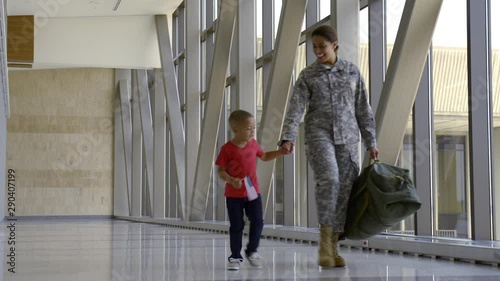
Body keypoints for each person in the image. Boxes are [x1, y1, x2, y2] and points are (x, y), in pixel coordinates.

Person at [279, 25, 379, 268]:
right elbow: (295, 108)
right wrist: (287, 136)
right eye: (314, 47)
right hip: (318, 136)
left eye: (321, 46)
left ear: (334, 45)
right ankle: (324, 244)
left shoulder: (353, 72)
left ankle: (334, 246)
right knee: (330, 181)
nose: (317, 51)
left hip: (348, 140)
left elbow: (362, 110)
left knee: (344, 192)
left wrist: (371, 142)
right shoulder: (307, 75)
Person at [216, 109, 291, 271]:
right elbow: (220, 171)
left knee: (257, 221)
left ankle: (252, 251)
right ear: (236, 130)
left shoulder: (253, 144)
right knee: (237, 225)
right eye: (248, 128)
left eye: (253, 128)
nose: (252, 131)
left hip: (253, 192)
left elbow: (263, 157)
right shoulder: (227, 149)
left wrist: (280, 152)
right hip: (233, 195)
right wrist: (231, 179)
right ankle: (235, 256)